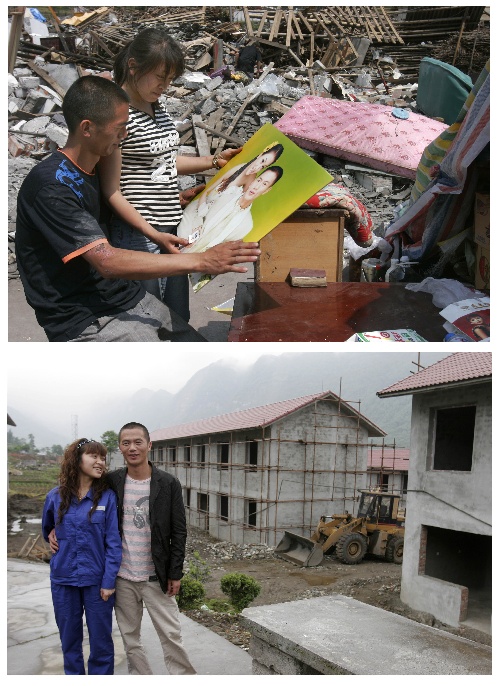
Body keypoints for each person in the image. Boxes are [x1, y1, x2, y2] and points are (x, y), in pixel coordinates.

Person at [14, 75, 260, 342]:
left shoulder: (96, 168)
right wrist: (203, 260)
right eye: (120, 128)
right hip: (86, 316)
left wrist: (176, 199)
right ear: (87, 128)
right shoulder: (52, 185)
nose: (125, 135)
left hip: (123, 295)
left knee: (199, 351)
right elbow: (106, 260)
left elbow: (120, 197)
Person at [98, 28, 243, 322]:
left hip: (172, 229)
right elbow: (111, 191)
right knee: (144, 320)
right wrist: (153, 234)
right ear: (133, 66)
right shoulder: (117, 115)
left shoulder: (158, 107)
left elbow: (164, 161)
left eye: (169, 79)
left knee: (177, 317)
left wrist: (213, 161)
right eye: (159, 77)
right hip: (139, 235)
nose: (164, 86)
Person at [42, 438, 122, 675]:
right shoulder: (54, 497)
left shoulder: (107, 498)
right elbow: (47, 528)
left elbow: (113, 543)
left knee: (101, 643)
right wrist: (51, 535)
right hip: (63, 580)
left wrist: (108, 582)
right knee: (69, 641)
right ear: (77, 460)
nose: (100, 462)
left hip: (97, 583)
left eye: (103, 458)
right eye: (94, 457)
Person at [179, 166, 284, 253]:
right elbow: (197, 208)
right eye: (259, 180)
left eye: (264, 184)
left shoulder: (247, 225)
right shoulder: (228, 192)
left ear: (266, 190)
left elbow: (221, 250)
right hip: (178, 237)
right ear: (253, 181)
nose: (257, 187)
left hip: (195, 262)